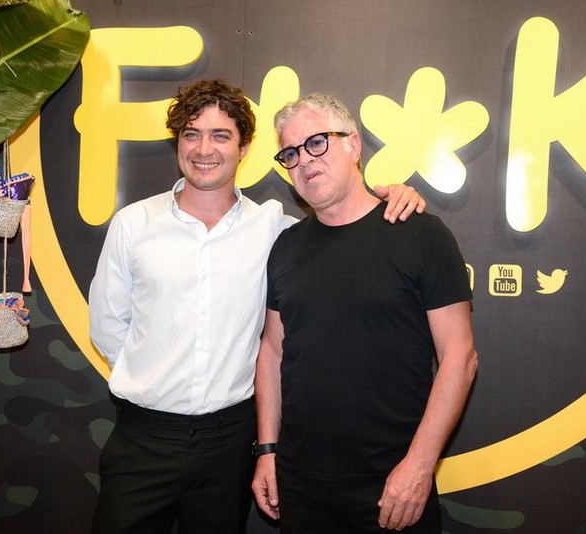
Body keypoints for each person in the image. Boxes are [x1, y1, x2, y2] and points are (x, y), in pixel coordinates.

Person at [88, 79, 426, 534]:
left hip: (229, 445)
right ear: (178, 143)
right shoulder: (134, 224)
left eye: (220, 135)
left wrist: (397, 194)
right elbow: (108, 326)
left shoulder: (274, 230)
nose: (204, 149)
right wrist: (154, 381)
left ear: (244, 148)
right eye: (191, 134)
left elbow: (341, 220)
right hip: (143, 440)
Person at [251, 93, 478, 533]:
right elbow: (273, 352)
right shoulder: (286, 247)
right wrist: (267, 450)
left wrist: (419, 466)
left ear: (353, 145)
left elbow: (460, 356)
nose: (304, 160)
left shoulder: (420, 234)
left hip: (392, 484)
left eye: (317, 142)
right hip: (299, 483)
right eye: (290, 153)